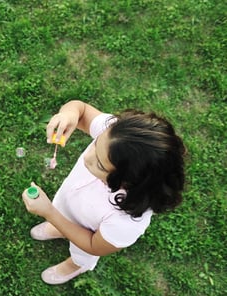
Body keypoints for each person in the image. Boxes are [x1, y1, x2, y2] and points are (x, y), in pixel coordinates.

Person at [22, 100, 186, 284]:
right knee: (62, 213)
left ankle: (74, 266)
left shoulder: (127, 221)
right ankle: (60, 227)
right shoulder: (115, 136)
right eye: (95, 143)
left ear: (127, 181)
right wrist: (68, 115)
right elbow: (81, 110)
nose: (87, 157)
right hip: (69, 205)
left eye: (99, 164)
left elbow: (93, 245)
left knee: (80, 255)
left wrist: (49, 213)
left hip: (86, 240)